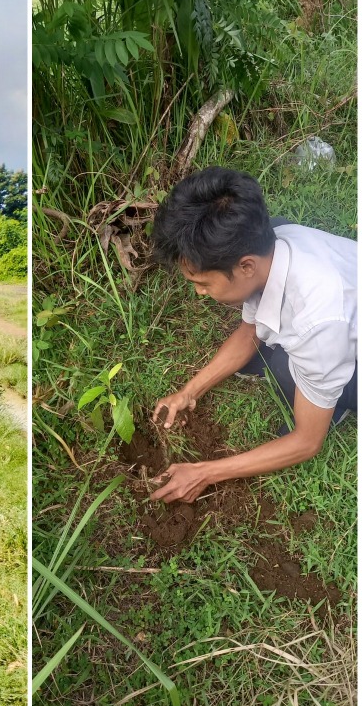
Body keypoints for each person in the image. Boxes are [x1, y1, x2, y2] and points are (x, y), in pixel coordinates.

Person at [146, 167, 355, 504]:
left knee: (284, 367)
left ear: (245, 266)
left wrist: (204, 472)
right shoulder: (273, 240)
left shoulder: (315, 322)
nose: (199, 293)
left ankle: (339, 401)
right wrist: (188, 391)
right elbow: (249, 334)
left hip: (338, 335)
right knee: (269, 352)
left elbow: (306, 442)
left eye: (203, 283)